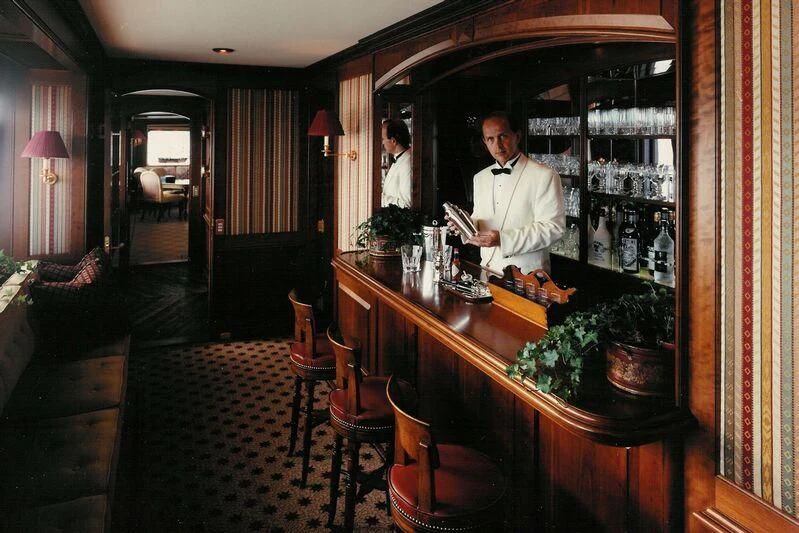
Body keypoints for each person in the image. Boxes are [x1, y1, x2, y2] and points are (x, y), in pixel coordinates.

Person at [450, 111, 565, 274]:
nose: (497, 145)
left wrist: (503, 239)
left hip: (527, 276)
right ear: (484, 142)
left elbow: (554, 228)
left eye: (502, 136)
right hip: (487, 270)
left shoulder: (544, 176)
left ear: (517, 136)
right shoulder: (480, 178)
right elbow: (481, 219)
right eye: (490, 139)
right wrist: (465, 224)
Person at [380, 119, 412, 208]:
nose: (382, 142)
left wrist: (379, 199)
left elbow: (406, 204)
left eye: (383, 139)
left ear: (393, 141)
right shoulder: (399, 158)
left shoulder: (407, 163)